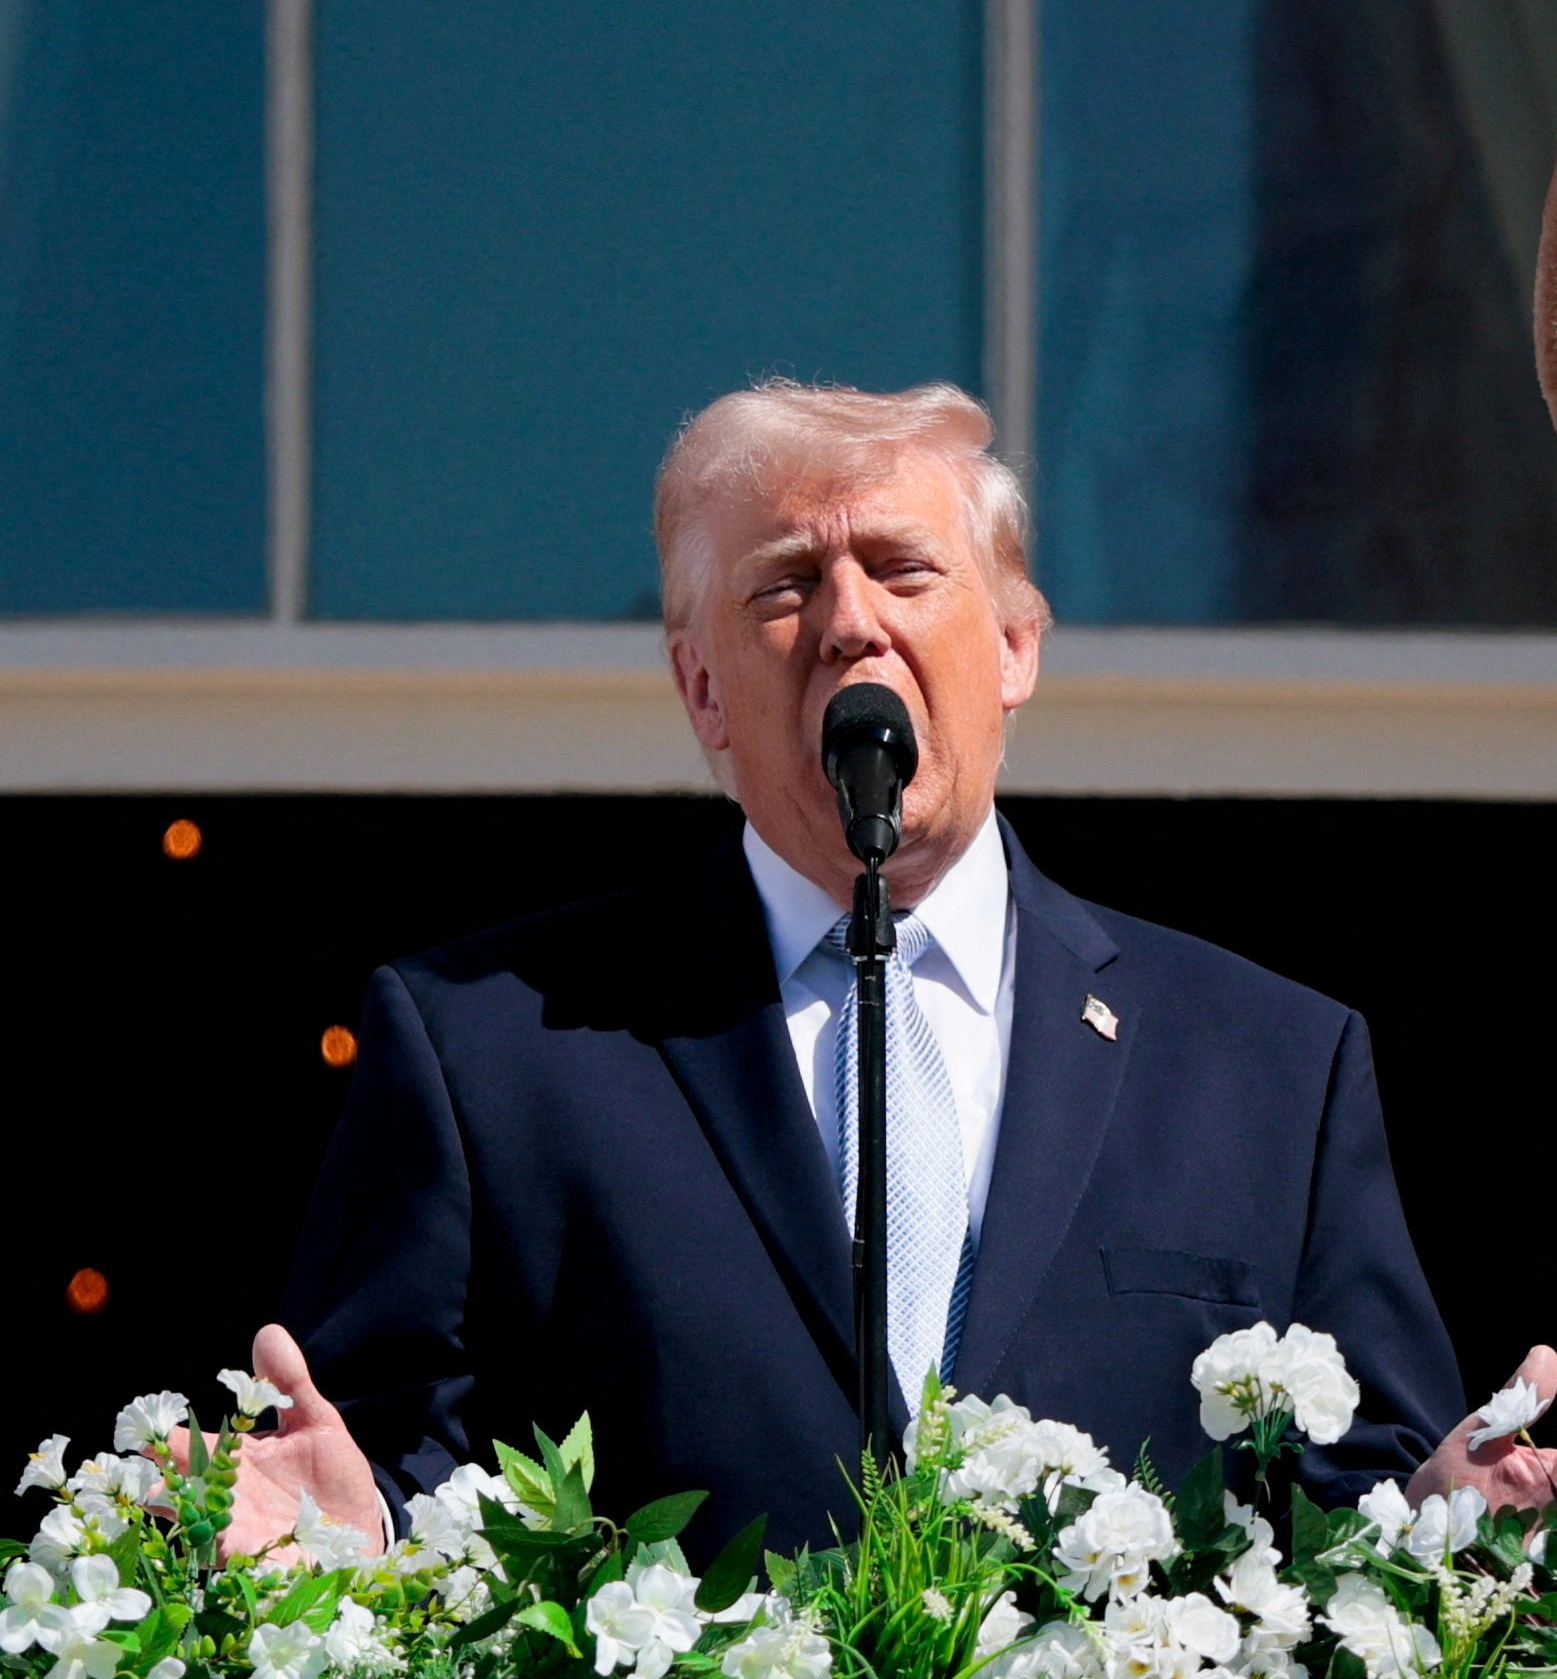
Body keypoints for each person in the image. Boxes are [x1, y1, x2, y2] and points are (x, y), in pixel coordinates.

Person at [221, 380, 1464, 1556]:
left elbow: (1358, 1496)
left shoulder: (1267, 1066)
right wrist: (350, 1529)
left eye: (904, 570)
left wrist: (1455, 1520)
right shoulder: (486, 1054)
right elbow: (390, 1461)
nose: (850, 621)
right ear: (701, 687)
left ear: (1018, 647)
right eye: (784, 586)